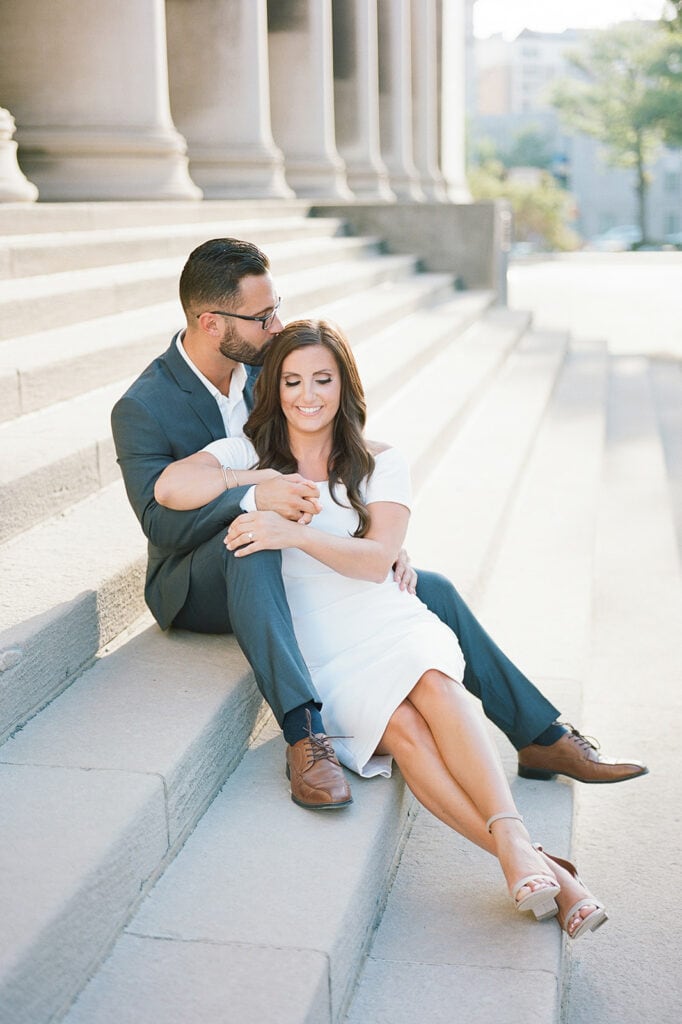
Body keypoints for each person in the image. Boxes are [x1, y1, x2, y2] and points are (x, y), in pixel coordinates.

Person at [111, 237, 647, 813]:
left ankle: (541, 737)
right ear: (211, 322)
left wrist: (376, 537)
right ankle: (304, 735)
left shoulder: (272, 360)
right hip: (199, 579)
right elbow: (160, 523)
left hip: (289, 546)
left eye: (277, 308)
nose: (277, 324)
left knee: (423, 587)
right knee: (256, 541)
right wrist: (254, 496)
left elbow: (330, 441)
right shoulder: (144, 405)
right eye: (263, 316)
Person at [154, 317, 609, 940]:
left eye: (322, 379)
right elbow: (170, 486)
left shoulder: (378, 462)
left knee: (435, 683)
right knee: (406, 733)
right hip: (315, 640)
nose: (306, 395)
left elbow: (375, 561)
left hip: (379, 614)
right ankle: (541, 864)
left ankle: (512, 843)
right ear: (274, 389)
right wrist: (253, 484)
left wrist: (292, 532)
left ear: (345, 386)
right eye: (291, 381)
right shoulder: (248, 454)